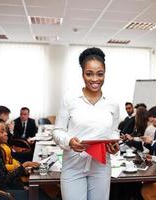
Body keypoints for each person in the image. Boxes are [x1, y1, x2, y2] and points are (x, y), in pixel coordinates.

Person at [52, 47, 120, 200]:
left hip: (101, 166)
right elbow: (57, 131)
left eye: (100, 74)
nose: (95, 79)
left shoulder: (113, 103)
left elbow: (114, 131)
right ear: (82, 74)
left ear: (105, 73)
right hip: (73, 165)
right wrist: (70, 141)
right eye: (89, 74)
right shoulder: (70, 99)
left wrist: (114, 145)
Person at [0, 117, 51, 200]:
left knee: (39, 192)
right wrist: (23, 166)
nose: (6, 133)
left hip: (2, 188)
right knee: (39, 196)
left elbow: (4, 175)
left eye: (5, 131)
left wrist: (21, 186)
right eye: (2, 131)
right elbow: (4, 180)